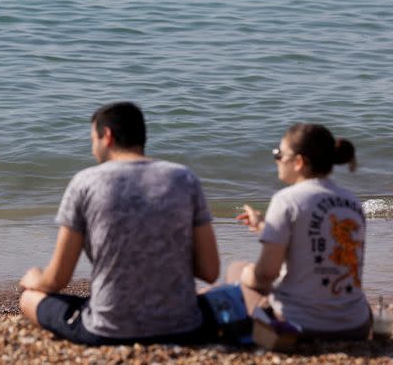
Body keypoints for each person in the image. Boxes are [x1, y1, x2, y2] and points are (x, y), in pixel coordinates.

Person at [19, 102, 219, 345]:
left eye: (93, 139)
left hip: (108, 329)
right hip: (185, 326)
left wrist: (34, 278)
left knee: (29, 299)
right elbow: (210, 272)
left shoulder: (85, 182)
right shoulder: (184, 178)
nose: (93, 149)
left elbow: (58, 279)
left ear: (107, 136)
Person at [230, 123, 371, 340]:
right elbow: (319, 240)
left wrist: (245, 274)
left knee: (236, 269)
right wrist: (262, 226)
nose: (276, 159)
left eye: (278, 154)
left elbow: (266, 275)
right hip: (356, 325)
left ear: (298, 162)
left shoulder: (287, 200)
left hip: (302, 326)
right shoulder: (352, 202)